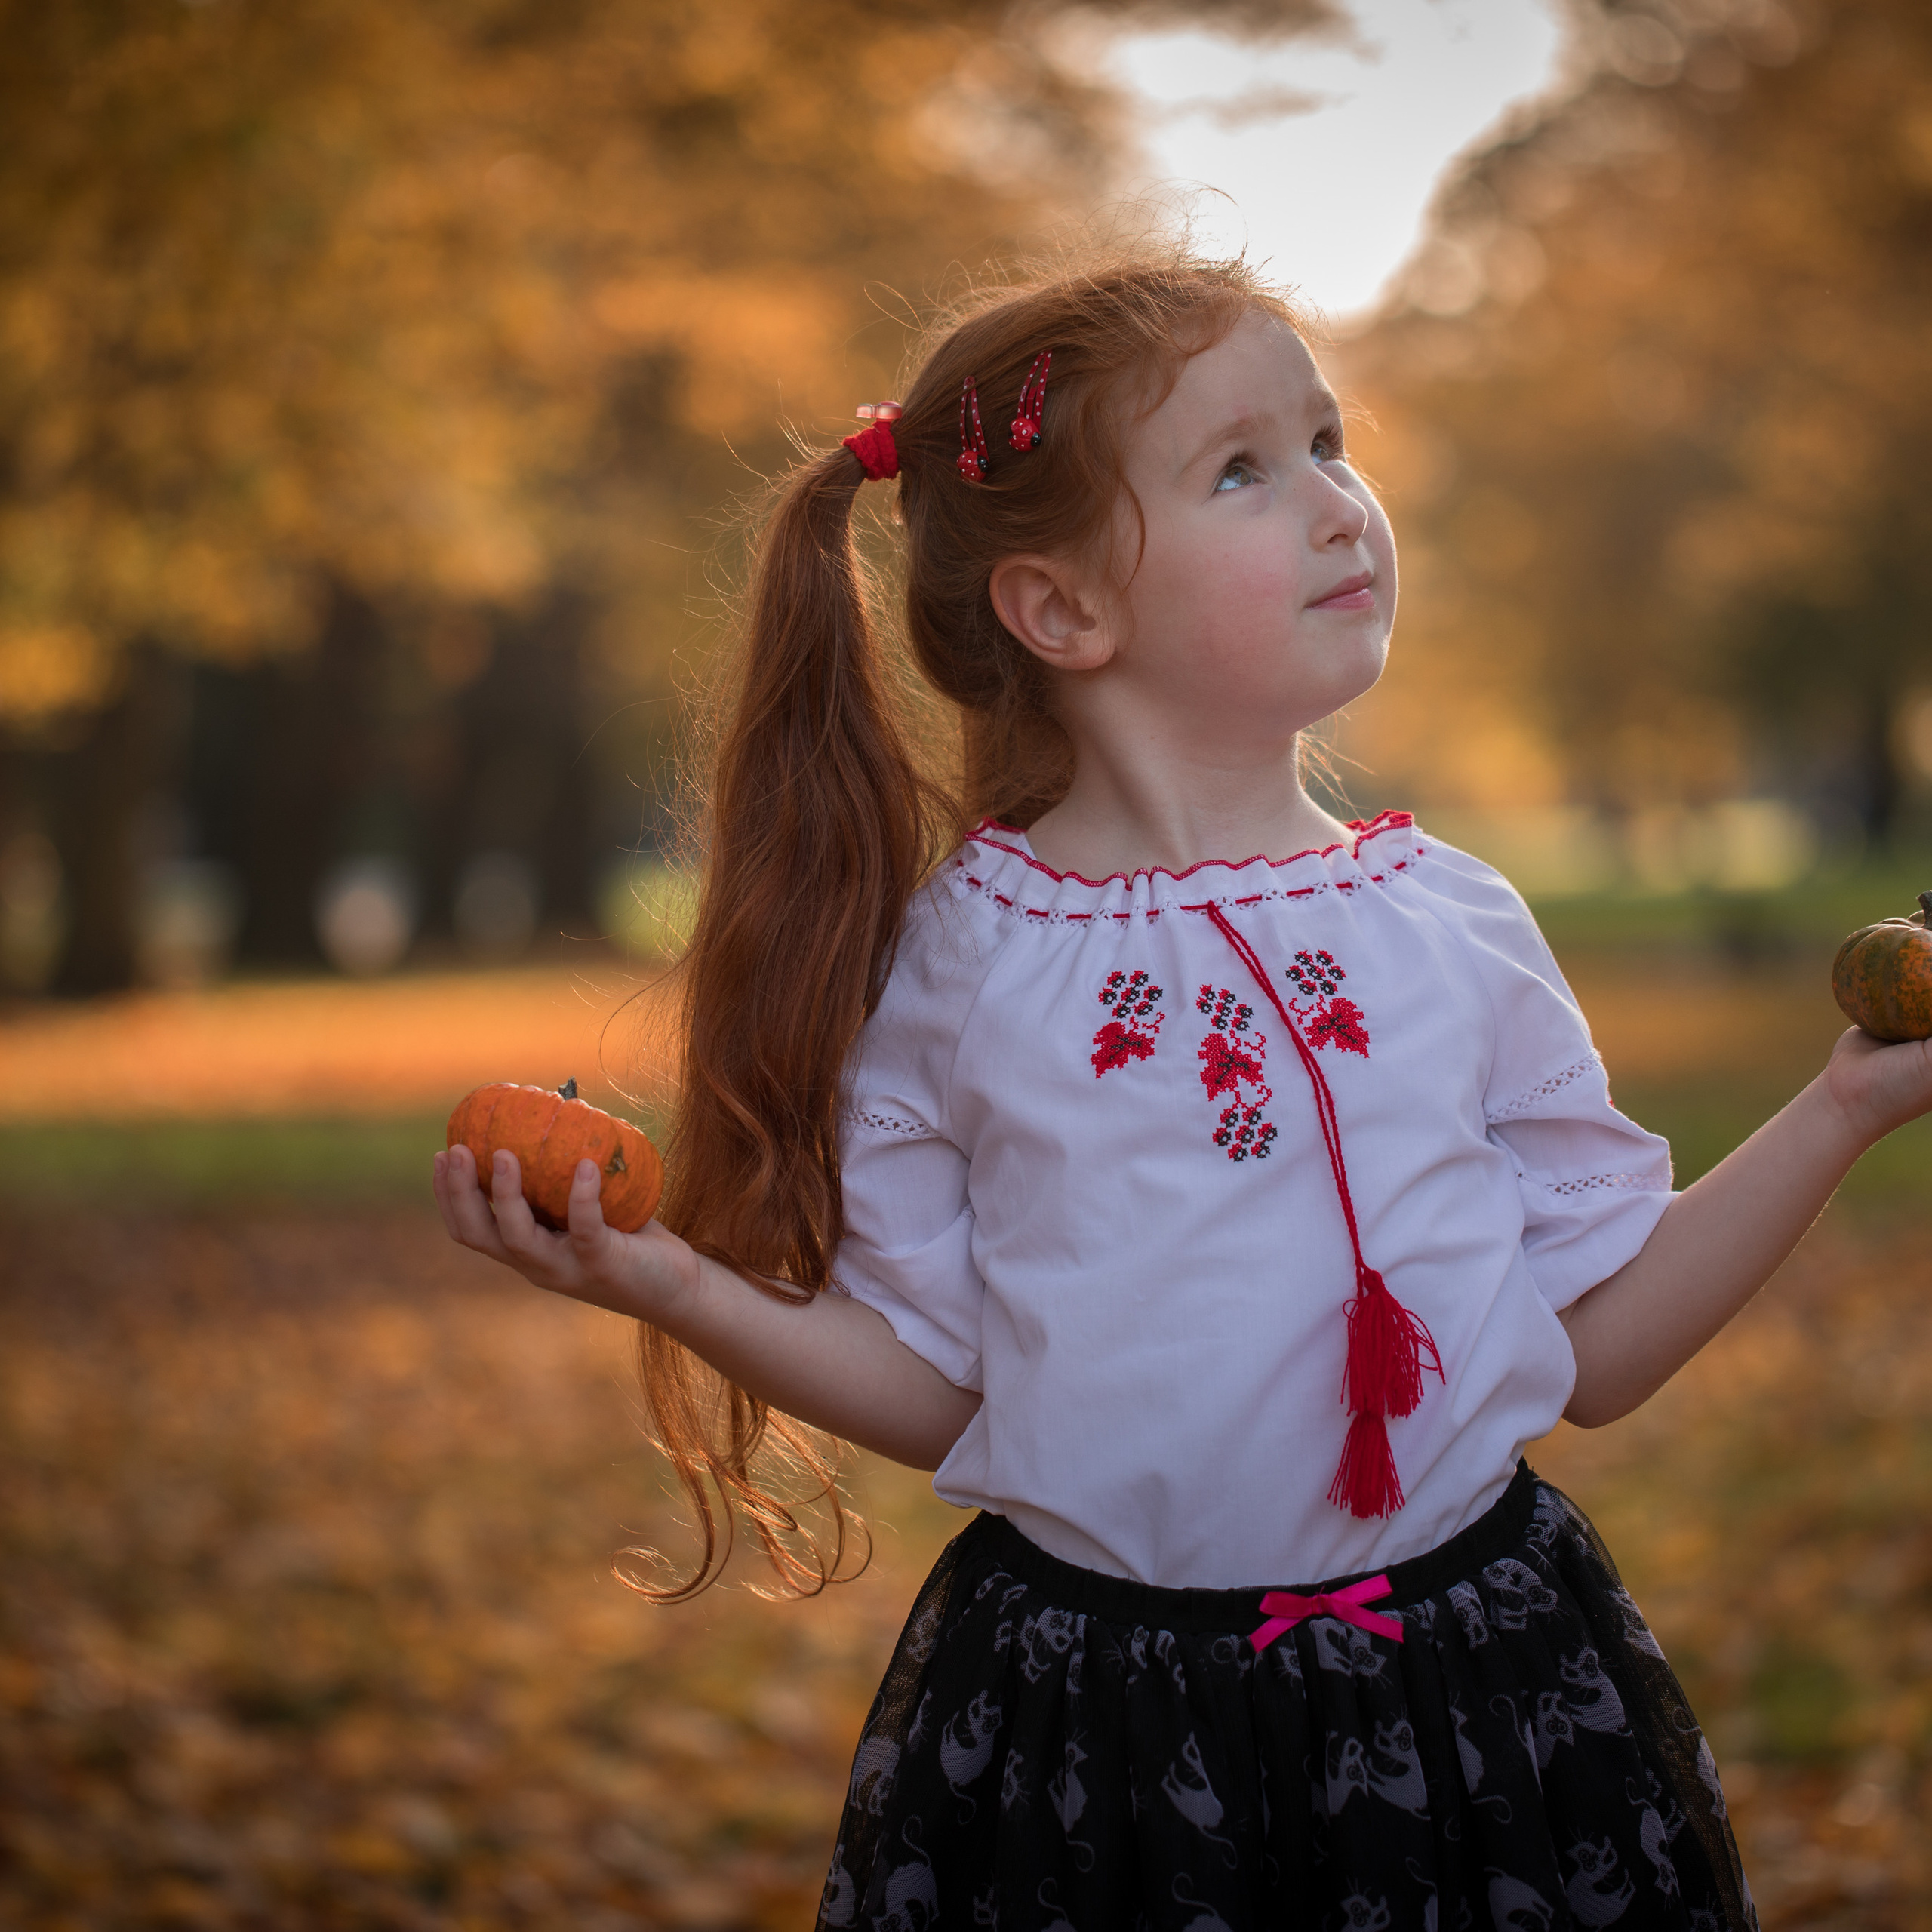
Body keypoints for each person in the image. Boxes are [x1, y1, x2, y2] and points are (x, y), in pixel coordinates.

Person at [432, 244, 1932, 1928]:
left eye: (1327, 441)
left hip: (1478, 1691)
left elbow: (1596, 1351)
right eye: (1240, 468)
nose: (1332, 505)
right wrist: (656, 1277)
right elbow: (941, 1383)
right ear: (1060, 609)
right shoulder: (963, 968)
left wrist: (1841, 1106)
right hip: (1106, 1737)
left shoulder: (1455, 920)